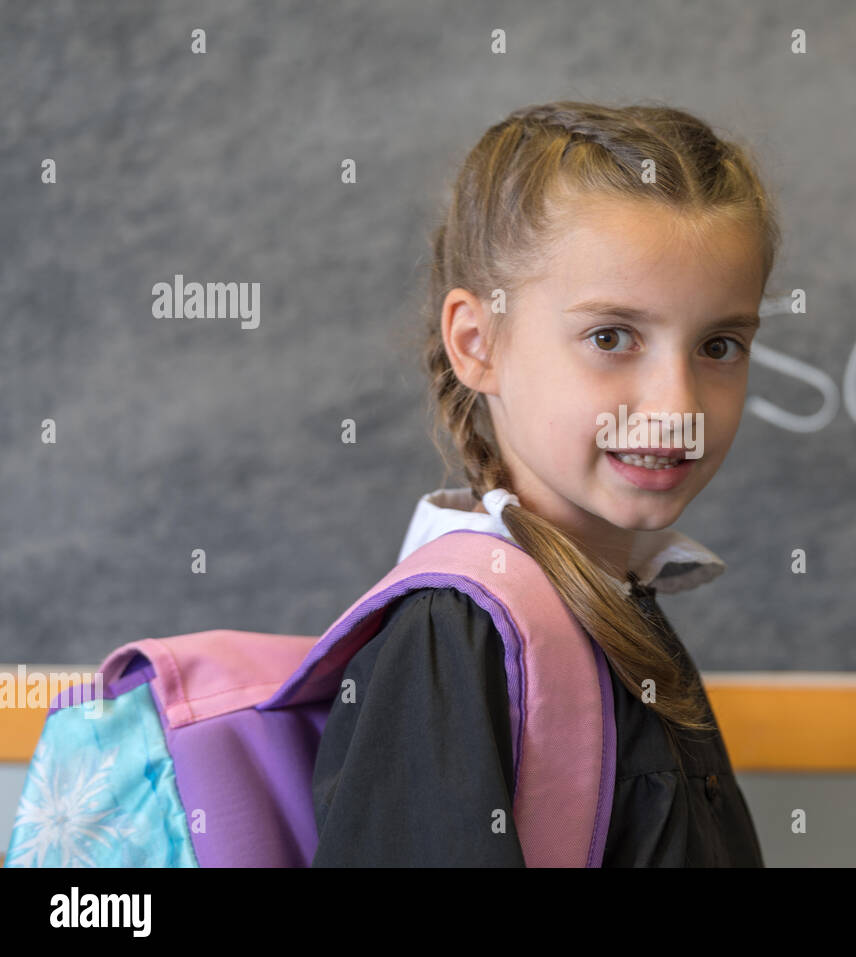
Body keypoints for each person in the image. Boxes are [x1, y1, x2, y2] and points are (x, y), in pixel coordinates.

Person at [311, 100, 781, 866]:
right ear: (477, 343)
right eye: (610, 337)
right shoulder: (453, 637)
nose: (678, 407)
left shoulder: (618, 598)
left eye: (719, 344)